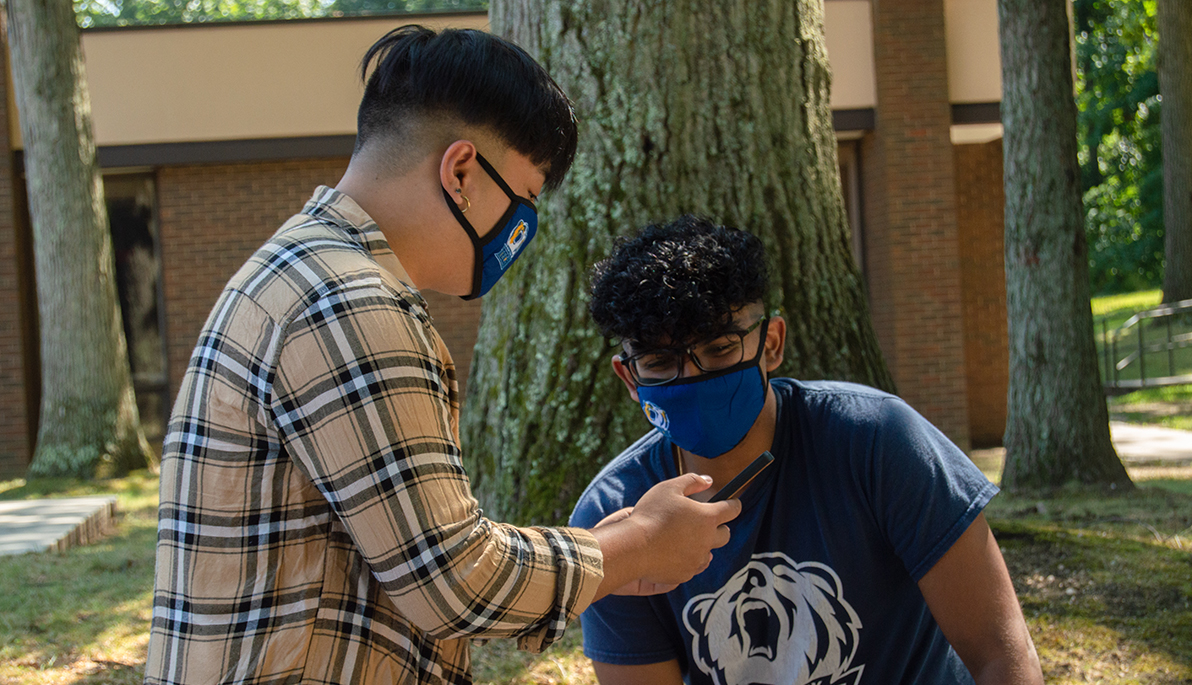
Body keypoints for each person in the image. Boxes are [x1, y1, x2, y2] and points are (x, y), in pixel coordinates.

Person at [144, 27, 740, 685]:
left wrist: (609, 549)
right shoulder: (351, 303)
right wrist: (639, 544)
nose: (521, 236)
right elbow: (454, 581)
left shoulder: (294, 272)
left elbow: (405, 554)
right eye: (526, 203)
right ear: (460, 171)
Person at [571, 215, 1044, 685]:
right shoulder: (614, 519)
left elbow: (1000, 653)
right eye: (660, 361)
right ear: (630, 378)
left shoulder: (877, 442)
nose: (693, 378)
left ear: (771, 343)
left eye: (719, 348)